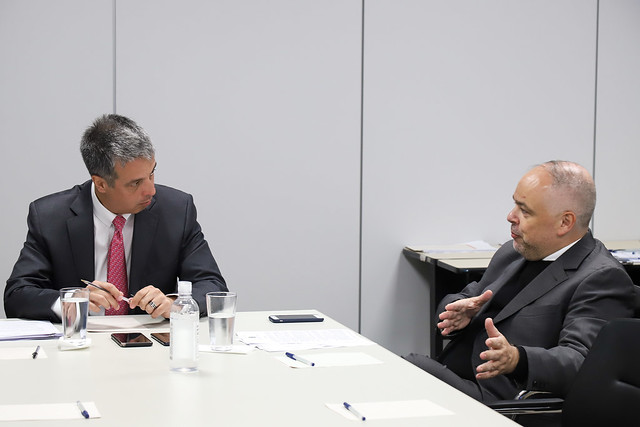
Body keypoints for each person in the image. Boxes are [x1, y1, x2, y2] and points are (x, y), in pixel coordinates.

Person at [404, 160, 635, 403]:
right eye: (515, 203)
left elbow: (581, 362)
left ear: (565, 223)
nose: (510, 216)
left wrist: (517, 359)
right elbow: (468, 297)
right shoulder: (514, 252)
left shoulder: (601, 278)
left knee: (407, 369)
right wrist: (456, 311)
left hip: (500, 401)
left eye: (525, 211)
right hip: (456, 376)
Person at [5, 114, 227, 321]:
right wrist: (71, 301)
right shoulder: (50, 217)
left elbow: (213, 285)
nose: (151, 190)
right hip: (81, 344)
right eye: (136, 183)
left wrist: (175, 304)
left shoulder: (177, 210)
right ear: (100, 183)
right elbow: (17, 295)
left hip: (148, 347)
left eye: (151, 174)